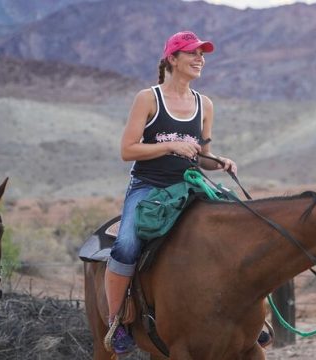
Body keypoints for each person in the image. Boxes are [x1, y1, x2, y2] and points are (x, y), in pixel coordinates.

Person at [104, 30, 238, 354]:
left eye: (202, 54)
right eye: (192, 53)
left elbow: (201, 155)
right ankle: (117, 321)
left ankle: (246, 317)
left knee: (240, 223)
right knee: (126, 245)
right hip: (148, 187)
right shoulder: (148, 98)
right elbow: (127, 150)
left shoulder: (204, 104)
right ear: (172, 59)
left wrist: (219, 161)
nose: (199, 59)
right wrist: (169, 146)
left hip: (190, 185)